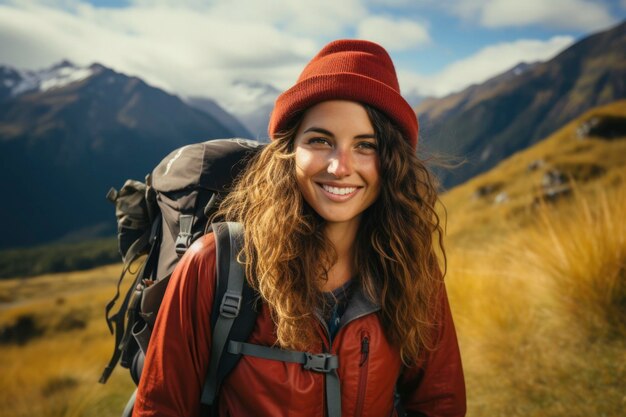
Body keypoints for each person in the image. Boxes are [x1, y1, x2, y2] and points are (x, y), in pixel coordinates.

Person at [134, 39, 466, 417]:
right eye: (320, 140)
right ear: (288, 153)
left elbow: (439, 405)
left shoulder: (412, 271)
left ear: (391, 162)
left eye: (365, 146)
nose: (340, 167)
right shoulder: (213, 266)